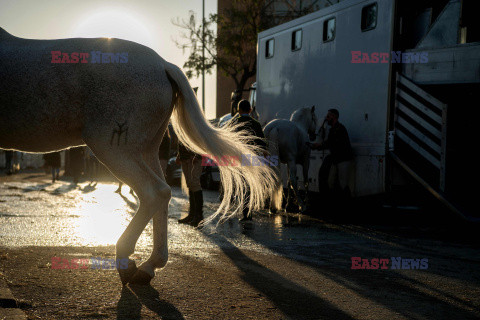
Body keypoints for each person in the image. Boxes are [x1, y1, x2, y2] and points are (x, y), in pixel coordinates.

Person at [230, 99, 267, 222]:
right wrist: (264, 152)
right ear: (250, 110)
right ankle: (248, 213)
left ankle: (243, 212)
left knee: (242, 185)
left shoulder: (234, 122)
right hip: (253, 157)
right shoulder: (255, 123)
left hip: (239, 157)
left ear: (238, 110)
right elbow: (261, 140)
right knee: (250, 185)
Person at [309, 108, 353, 198]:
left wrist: (318, 146)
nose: (326, 118)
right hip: (338, 159)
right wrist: (319, 146)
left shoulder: (339, 129)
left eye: (328, 116)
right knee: (333, 182)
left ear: (334, 117)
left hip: (343, 159)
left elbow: (331, 143)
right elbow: (330, 143)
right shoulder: (334, 129)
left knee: (343, 183)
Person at [176, 142, 203, 227]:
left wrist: (197, 154)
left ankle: (199, 216)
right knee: (190, 184)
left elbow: (198, 137)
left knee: (195, 184)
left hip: (194, 157)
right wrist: (179, 155)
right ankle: (192, 214)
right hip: (184, 157)